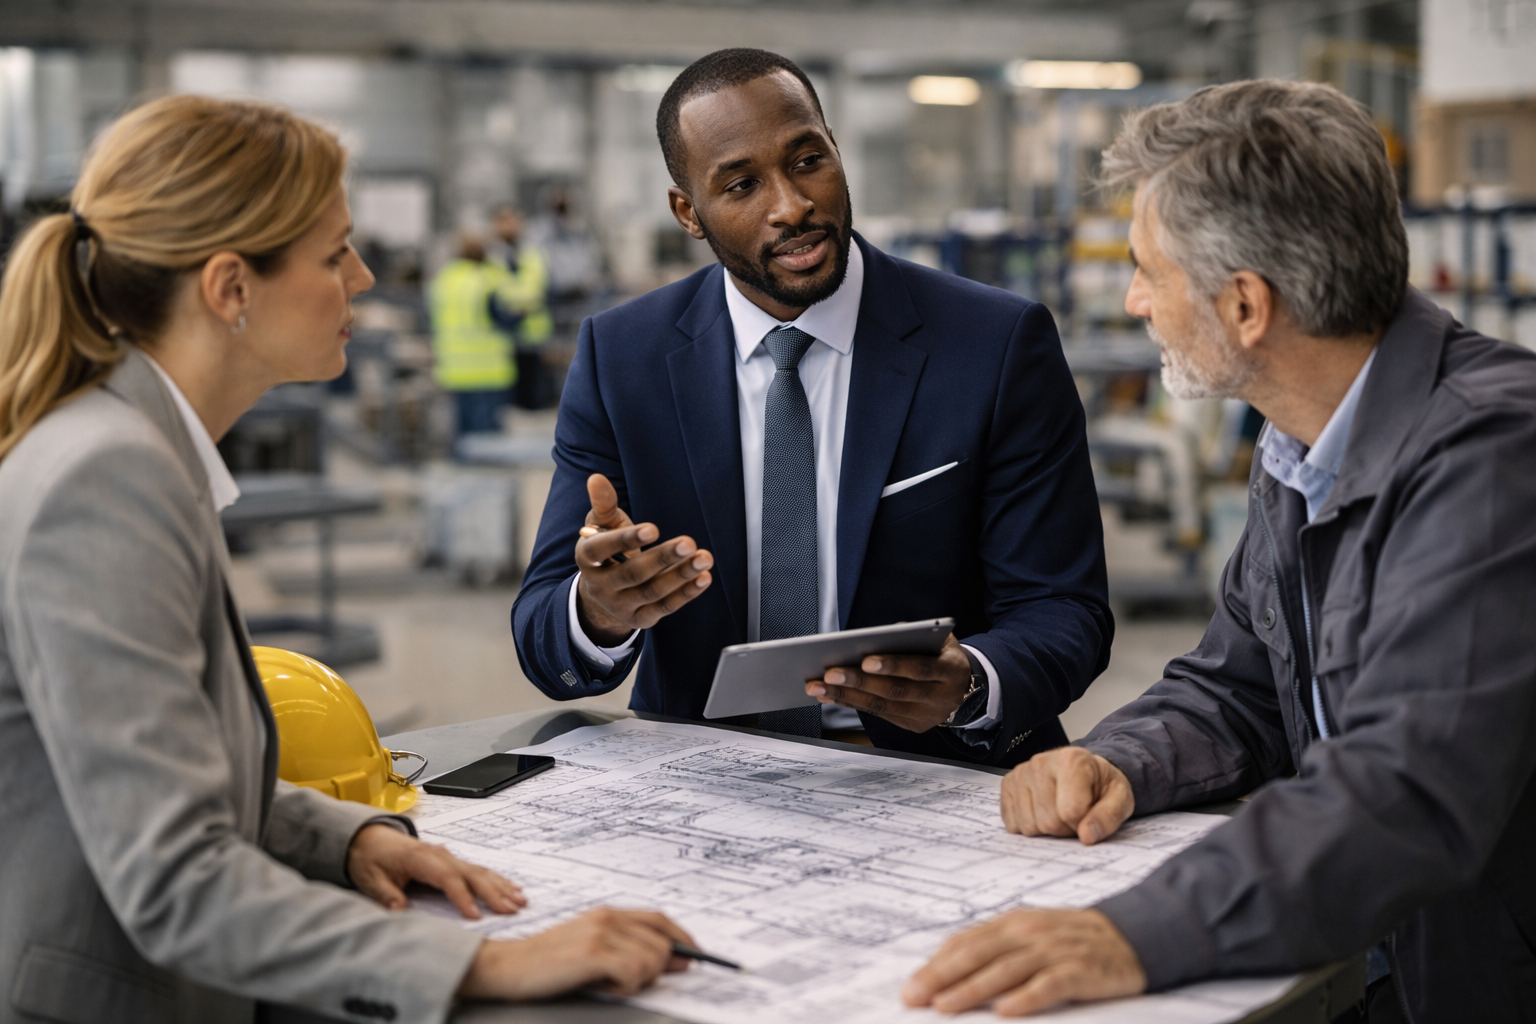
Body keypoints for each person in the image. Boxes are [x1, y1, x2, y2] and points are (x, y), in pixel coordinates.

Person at [0, 95, 692, 1024]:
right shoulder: (108, 478)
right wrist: (480, 964)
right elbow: (176, 879)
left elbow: (169, 781)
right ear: (231, 289)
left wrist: (349, 838)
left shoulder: (131, 448)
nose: (363, 277)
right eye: (334, 255)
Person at [902, 80, 1536, 1022]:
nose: (1134, 301)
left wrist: (1136, 933)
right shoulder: (1300, 444)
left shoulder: (1494, 458)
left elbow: (1406, 789)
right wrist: (1120, 762)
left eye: (1147, 271)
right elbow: (1241, 689)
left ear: (1245, 305)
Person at [512, 48, 1111, 767]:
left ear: (836, 152)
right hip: (707, 777)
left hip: (935, 769)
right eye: (741, 184)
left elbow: (1065, 608)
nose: (791, 206)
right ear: (688, 212)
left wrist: (971, 684)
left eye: (807, 161)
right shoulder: (622, 358)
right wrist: (599, 612)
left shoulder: (995, 344)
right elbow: (542, 633)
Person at [429, 233, 515, 442]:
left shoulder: (443, 281)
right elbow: (504, 319)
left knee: (461, 433)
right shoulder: (486, 280)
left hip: (454, 367)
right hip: (486, 368)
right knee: (485, 440)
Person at [489, 205, 558, 410]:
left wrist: (515, 303)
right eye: (504, 222)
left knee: (534, 393)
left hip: (534, 334)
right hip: (502, 337)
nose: (509, 226)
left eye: (513, 221)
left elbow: (539, 289)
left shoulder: (533, 254)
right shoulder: (491, 256)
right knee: (509, 399)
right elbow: (490, 290)